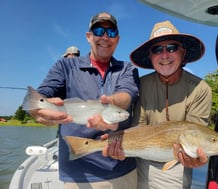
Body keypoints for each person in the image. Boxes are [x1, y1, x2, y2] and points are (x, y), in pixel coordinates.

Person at [28, 12, 139, 189]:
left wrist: (113, 103)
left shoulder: (127, 68)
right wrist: (37, 110)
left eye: (111, 32)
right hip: (78, 174)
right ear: (88, 36)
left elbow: (126, 95)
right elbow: (41, 95)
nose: (104, 37)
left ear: (117, 39)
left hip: (122, 170)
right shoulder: (64, 66)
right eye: (98, 30)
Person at [104, 20, 212, 189]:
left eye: (172, 48)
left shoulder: (201, 89)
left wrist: (195, 156)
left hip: (176, 164)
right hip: (139, 160)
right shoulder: (141, 85)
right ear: (150, 56)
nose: (164, 55)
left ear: (183, 52)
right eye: (157, 49)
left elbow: (194, 138)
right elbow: (138, 127)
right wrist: (118, 145)